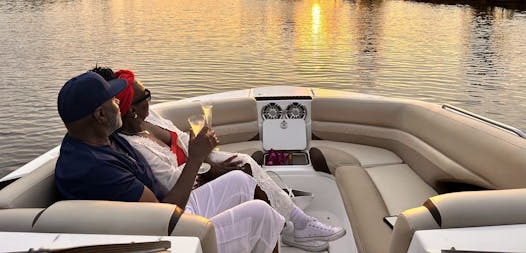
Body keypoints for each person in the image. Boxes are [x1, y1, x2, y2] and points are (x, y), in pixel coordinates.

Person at [92, 67, 346, 251]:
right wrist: (208, 165)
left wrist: (207, 155)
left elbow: (181, 139)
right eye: (145, 95)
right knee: (244, 175)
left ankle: (294, 224)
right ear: (132, 110)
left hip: (196, 161)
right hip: (189, 182)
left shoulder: (151, 118)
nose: (150, 97)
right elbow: (173, 184)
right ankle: (290, 226)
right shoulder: (135, 147)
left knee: (244, 162)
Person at [55, 71, 285, 253]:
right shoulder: (98, 169)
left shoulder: (95, 139)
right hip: (163, 239)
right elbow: (161, 218)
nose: (119, 103)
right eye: (113, 100)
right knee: (260, 215)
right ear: (100, 116)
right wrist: (195, 159)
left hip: (163, 216)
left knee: (240, 180)